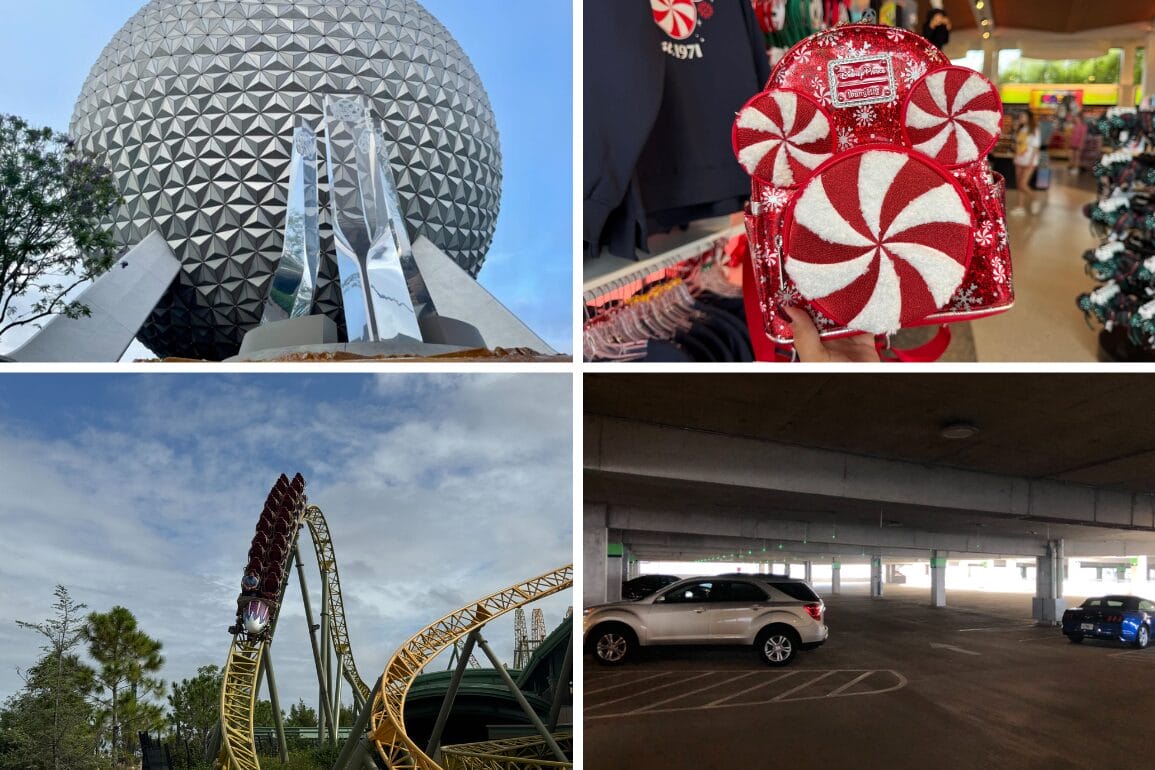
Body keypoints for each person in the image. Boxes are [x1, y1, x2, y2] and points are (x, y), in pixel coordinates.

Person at [1011, 110, 1041, 216]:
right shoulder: (1020, 129)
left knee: (1023, 184)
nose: (1020, 118)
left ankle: (1035, 199)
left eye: (1022, 116)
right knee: (1019, 185)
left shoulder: (1034, 130)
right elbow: (1017, 144)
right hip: (1019, 159)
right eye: (1020, 116)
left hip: (1029, 160)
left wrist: (1031, 162)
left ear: (1029, 117)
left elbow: (1036, 148)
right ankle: (1020, 207)